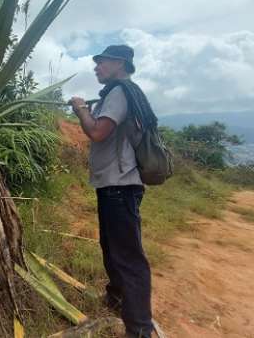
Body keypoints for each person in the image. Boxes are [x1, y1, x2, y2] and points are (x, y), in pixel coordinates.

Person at [69, 44, 154, 338]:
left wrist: (81, 110)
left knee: (128, 256)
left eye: (101, 62)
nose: (96, 67)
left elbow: (97, 132)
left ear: (119, 62)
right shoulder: (120, 92)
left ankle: (140, 328)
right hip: (114, 185)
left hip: (120, 186)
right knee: (112, 248)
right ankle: (117, 300)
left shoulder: (119, 92)